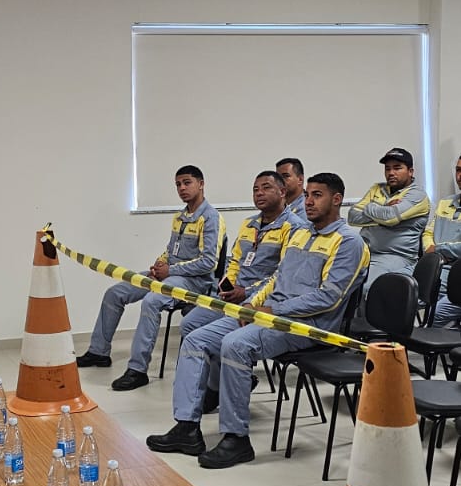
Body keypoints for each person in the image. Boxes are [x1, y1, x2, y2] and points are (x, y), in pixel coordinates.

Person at [147, 172, 369, 470]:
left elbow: (329, 297)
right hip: (269, 314)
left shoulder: (349, 243)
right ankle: (187, 427)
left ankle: (236, 438)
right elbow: (278, 277)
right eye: (307, 195)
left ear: (337, 199)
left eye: (317, 195)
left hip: (307, 326)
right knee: (195, 338)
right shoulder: (302, 235)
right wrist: (254, 304)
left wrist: (275, 312)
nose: (309, 201)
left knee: (235, 344)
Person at [76, 166, 225, 391]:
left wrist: (170, 271)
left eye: (187, 182)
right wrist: (159, 265)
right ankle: (99, 351)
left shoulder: (211, 218)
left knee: (152, 301)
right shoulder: (180, 217)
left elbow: (208, 263)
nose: (182, 188)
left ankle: (137, 370)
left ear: (201, 184)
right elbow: (170, 251)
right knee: (115, 293)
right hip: (171, 275)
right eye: (178, 184)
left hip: (197, 281)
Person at [178, 171, 297, 412]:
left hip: (257, 303)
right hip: (233, 298)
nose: (259, 193)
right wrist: (227, 286)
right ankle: (214, 384)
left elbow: (281, 275)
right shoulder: (249, 223)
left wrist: (247, 292)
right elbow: (235, 261)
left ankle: (217, 389)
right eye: (255, 189)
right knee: (189, 324)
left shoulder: (294, 227)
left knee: (215, 337)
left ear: (282, 192)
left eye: (266, 188)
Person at [348, 147, 430, 287]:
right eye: (387, 168)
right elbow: (352, 216)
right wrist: (385, 207)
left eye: (397, 168)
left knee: (364, 287)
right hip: (364, 251)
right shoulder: (377, 188)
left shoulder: (417, 195)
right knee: (335, 281)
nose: (391, 173)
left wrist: (370, 206)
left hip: (395, 256)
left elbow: (390, 217)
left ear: (410, 171)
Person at [423, 157, 461, 315]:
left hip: (454, 271)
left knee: (433, 313)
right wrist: (431, 251)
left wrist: (439, 250)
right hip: (434, 263)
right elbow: (428, 233)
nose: (459, 176)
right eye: (458, 170)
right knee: (395, 287)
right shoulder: (445, 202)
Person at [275, 156, 307, 222]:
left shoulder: (307, 208)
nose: (280, 181)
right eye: (277, 177)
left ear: (300, 179)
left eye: (286, 176)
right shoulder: (277, 208)